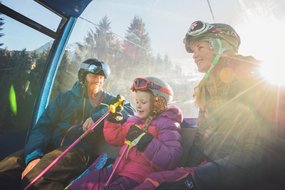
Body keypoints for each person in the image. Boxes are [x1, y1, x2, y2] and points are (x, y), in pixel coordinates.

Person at [134, 21, 285, 190]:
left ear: (222, 47)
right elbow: (201, 137)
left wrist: (196, 180)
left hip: (246, 173)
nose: (194, 55)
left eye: (200, 48)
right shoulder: (207, 89)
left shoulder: (252, 80)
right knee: (154, 182)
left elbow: (260, 150)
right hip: (213, 168)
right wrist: (186, 170)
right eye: (193, 50)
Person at [0, 58, 135, 190]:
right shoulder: (65, 98)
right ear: (83, 76)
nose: (99, 80)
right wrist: (34, 157)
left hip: (78, 151)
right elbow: (42, 127)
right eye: (94, 76)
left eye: (102, 77)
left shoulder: (107, 100)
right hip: (50, 146)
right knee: (6, 168)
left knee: (36, 179)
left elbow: (130, 110)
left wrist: (99, 115)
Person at [69, 76, 183, 190]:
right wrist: (114, 120)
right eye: (137, 101)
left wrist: (145, 141)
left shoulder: (167, 124)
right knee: (81, 184)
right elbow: (114, 138)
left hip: (136, 179)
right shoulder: (135, 121)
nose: (138, 105)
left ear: (158, 103)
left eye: (143, 102)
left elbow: (171, 159)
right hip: (115, 170)